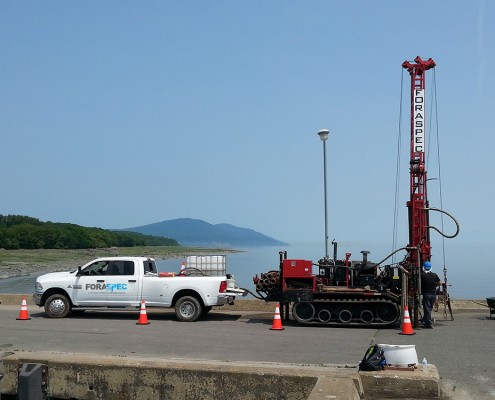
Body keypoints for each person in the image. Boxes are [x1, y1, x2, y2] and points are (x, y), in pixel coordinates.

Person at [421, 261, 441, 329]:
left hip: (426, 294)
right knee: (429, 308)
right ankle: (425, 320)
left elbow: (411, 275)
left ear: (423, 267)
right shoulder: (434, 275)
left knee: (427, 309)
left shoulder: (422, 275)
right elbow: (440, 283)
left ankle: (428, 324)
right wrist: (434, 285)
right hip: (433, 294)